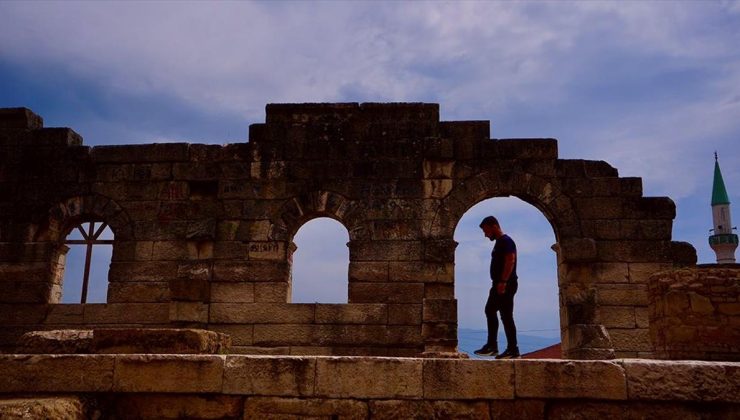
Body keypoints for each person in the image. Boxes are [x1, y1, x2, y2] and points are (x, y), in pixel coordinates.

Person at [474, 215, 520, 359]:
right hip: (500, 283)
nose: (485, 235)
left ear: (494, 226)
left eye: (486, 231)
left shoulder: (506, 241)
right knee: (500, 314)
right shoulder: (500, 242)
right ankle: (505, 348)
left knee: (497, 313)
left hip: (505, 284)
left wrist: (503, 282)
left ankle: (500, 347)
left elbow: (510, 260)